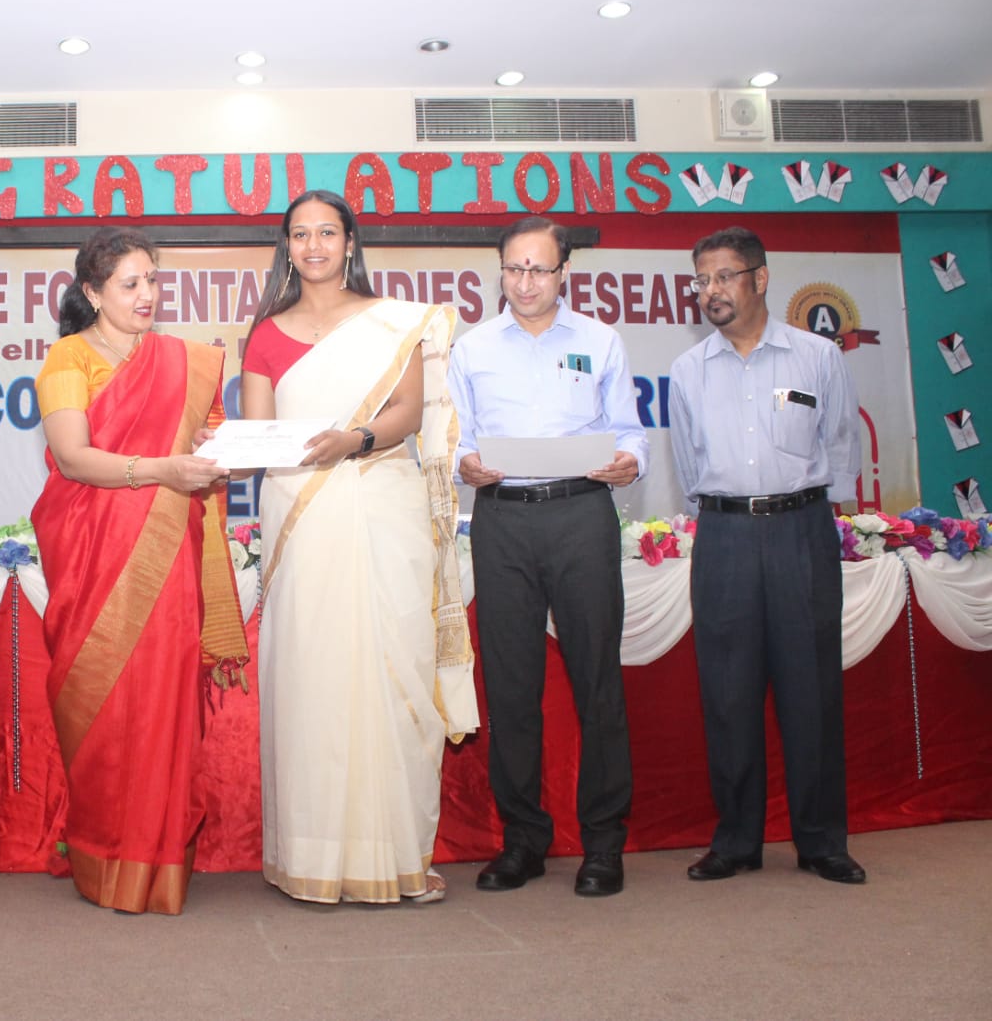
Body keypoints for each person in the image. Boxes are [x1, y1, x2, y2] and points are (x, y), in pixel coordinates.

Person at [240, 189, 476, 905]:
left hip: (380, 500)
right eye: (300, 234)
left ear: (350, 242)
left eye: (327, 232)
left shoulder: (392, 323)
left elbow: (407, 413)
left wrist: (355, 438)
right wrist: (220, 448)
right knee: (312, 675)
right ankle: (311, 856)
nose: (313, 245)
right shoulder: (265, 334)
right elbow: (261, 436)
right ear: (286, 247)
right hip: (300, 515)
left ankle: (396, 854)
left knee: (392, 667)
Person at [31, 226, 248, 916]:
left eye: (153, 280)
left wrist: (214, 450)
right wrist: (162, 469)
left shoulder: (185, 361)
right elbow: (72, 457)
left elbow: (207, 448)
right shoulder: (68, 356)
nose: (147, 294)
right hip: (93, 555)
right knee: (104, 708)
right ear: (93, 292)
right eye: (130, 284)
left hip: (168, 554)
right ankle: (104, 860)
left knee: (162, 703)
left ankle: (157, 865)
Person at [448, 216, 648, 897]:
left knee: (597, 680)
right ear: (500, 271)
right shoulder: (473, 348)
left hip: (581, 514)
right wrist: (464, 463)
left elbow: (629, 430)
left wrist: (630, 460)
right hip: (503, 519)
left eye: (538, 269)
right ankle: (523, 841)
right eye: (514, 268)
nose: (525, 282)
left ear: (564, 273)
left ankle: (603, 843)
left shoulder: (599, 340)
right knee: (511, 686)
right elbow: (456, 437)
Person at [669, 226, 865, 884]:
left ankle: (822, 841)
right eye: (701, 280)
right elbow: (688, 462)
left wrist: (813, 516)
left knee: (811, 689)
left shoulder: (816, 356)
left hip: (800, 531)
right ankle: (736, 841)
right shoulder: (687, 371)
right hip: (724, 536)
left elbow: (839, 445)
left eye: (723, 276)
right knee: (728, 693)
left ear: (760, 278)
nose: (711, 291)